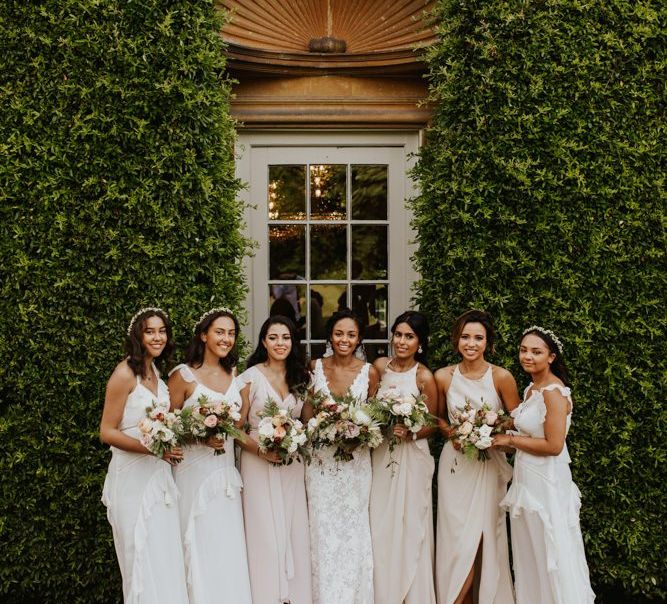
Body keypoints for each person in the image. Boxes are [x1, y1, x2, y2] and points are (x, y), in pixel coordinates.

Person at [495, 326, 595, 604]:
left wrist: (509, 440)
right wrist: (492, 425)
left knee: (552, 548)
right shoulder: (531, 389)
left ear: (551, 357)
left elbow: (553, 445)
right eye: (523, 350)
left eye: (536, 352)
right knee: (532, 549)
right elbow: (526, 429)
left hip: (547, 480)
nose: (527, 356)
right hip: (527, 478)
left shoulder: (554, 392)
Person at [100, 307, 188, 604]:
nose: (157, 337)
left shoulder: (157, 374)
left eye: (162, 331)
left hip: (158, 477)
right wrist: (152, 448)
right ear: (137, 335)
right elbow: (107, 432)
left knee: (162, 553)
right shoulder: (124, 374)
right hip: (132, 478)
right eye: (150, 331)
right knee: (138, 555)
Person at [435, 309, 519, 604]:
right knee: (456, 539)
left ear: (488, 342)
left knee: (483, 537)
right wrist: (455, 435)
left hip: (488, 467)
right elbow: (437, 419)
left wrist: (490, 428)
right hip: (455, 465)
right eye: (465, 337)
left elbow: (517, 421)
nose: (471, 343)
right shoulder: (443, 376)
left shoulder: (502, 377)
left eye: (478, 338)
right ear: (456, 339)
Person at [168, 308, 252, 604]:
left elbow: (239, 424)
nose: (226, 339)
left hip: (225, 474)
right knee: (196, 541)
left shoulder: (235, 376)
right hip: (193, 471)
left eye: (231, 333)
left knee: (225, 544)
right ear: (204, 335)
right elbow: (166, 427)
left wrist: (226, 430)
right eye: (220, 332)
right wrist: (200, 436)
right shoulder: (183, 375)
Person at [302, 308, 380, 604]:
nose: (344, 339)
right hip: (321, 461)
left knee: (354, 527)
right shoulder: (315, 367)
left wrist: (358, 431)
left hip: (355, 464)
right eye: (338, 333)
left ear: (359, 338)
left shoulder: (369, 372)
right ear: (330, 336)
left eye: (351, 334)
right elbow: (308, 414)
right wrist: (319, 425)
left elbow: (373, 417)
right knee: (321, 527)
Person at [237, 315, 312, 604]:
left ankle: (294, 597)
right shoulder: (250, 378)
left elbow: (306, 422)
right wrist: (259, 449)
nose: (280, 344)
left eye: (286, 338)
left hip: (292, 463)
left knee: (294, 531)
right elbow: (237, 427)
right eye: (273, 338)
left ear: (293, 342)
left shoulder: (302, 378)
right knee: (265, 535)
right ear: (263, 342)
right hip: (257, 462)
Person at [369, 311, 437, 604]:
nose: (402, 341)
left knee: (409, 521)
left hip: (410, 456)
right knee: (380, 522)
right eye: (398, 334)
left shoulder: (424, 376)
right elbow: (369, 406)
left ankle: (412, 593)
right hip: (381, 452)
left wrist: (411, 432)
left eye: (409, 336)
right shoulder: (380, 367)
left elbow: (433, 423)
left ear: (420, 342)